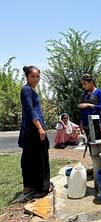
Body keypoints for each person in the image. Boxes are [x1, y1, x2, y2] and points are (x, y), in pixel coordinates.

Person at [18, 66, 52, 198]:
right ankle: (42, 188)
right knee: (40, 158)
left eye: (37, 76)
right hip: (33, 128)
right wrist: (39, 128)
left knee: (29, 157)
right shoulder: (26, 90)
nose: (36, 79)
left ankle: (29, 186)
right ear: (27, 77)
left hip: (32, 127)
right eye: (32, 76)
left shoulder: (31, 90)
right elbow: (30, 110)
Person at [79, 74, 101, 141]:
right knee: (90, 144)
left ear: (91, 82)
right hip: (86, 123)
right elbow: (82, 110)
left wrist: (89, 105)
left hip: (96, 123)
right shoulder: (84, 95)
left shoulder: (99, 92)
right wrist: (81, 122)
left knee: (97, 142)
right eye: (82, 84)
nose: (83, 86)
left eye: (85, 84)